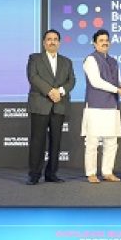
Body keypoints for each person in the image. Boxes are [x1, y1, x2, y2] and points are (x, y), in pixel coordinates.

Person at [26, 29, 76, 185]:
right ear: (44, 43)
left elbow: (71, 81)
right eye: (49, 39)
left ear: (59, 43)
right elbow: (33, 77)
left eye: (55, 39)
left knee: (56, 141)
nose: (52, 41)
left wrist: (59, 92)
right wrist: (50, 91)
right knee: (37, 141)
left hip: (59, 105)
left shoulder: (67, 62)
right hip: (40, 104)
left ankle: (51, 173)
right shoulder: (34, 58)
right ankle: (34, 175)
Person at [81, 29, 121, 183]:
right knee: (92, 142)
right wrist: (118, 90)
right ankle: (91, 173)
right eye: (101, 40)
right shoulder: (90, 59)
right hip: (95, 106)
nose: (104, 43)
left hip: (112, 105)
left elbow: (118, 82)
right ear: (94, 43)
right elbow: (96, 81)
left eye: (106, 40)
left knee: (111, 141)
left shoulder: (114, 61)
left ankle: (107, 172)